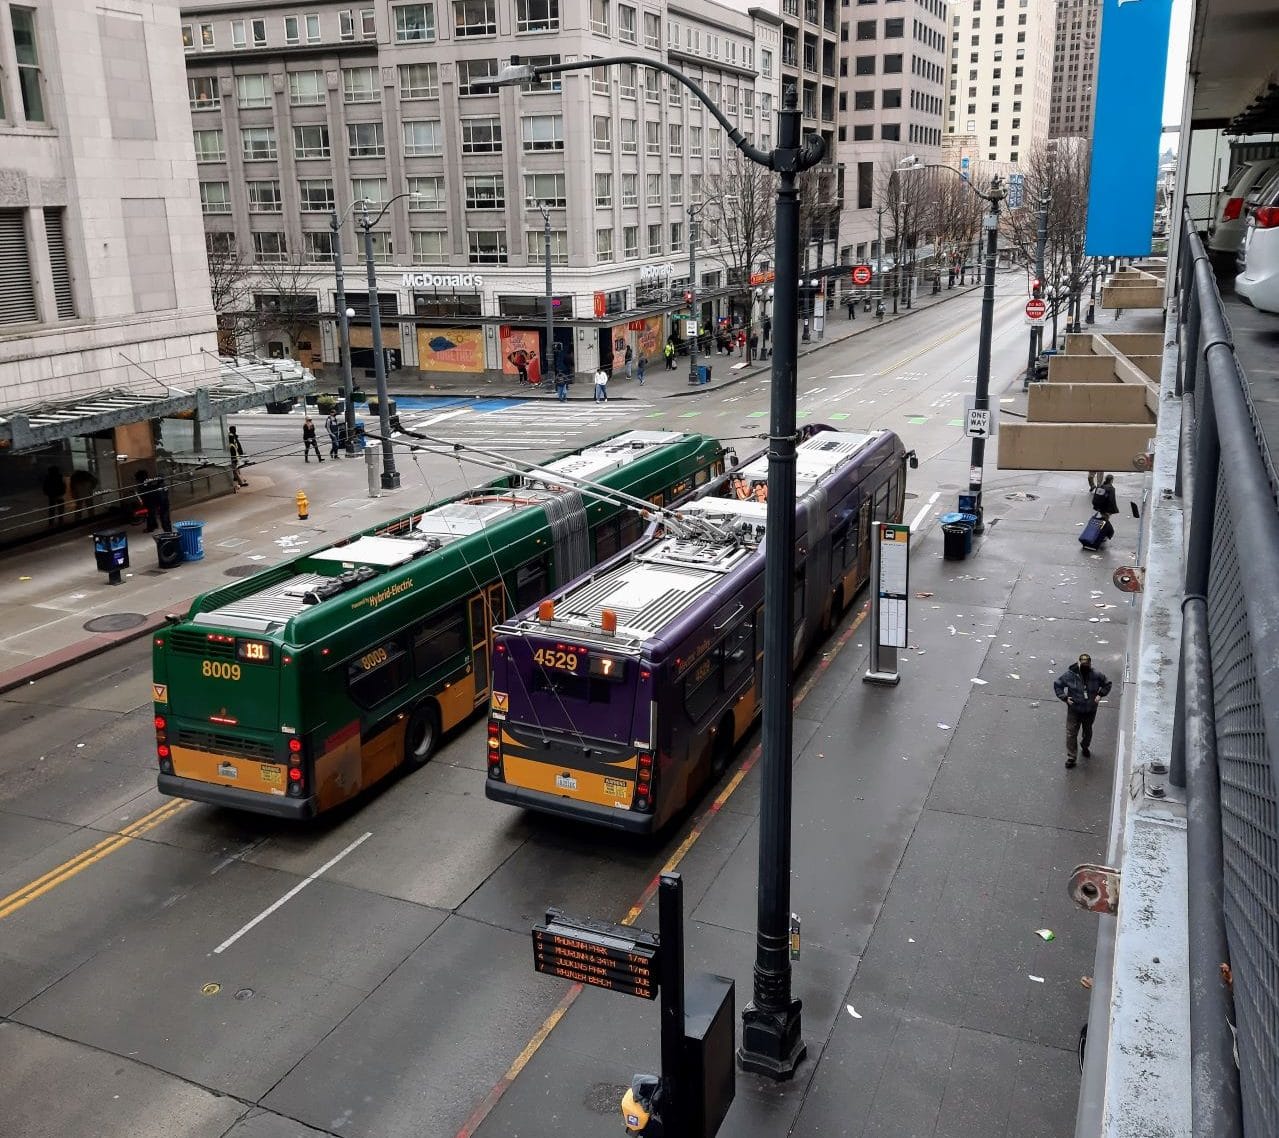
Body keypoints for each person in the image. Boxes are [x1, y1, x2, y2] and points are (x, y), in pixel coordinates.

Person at [1053, 653, 1112, 768]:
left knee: (1087, 732)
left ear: (1090, 664)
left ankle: (1085, 746)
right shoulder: (1070, 675)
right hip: (1074, 709)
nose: (1085, 666)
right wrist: (1065, 698)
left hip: (1090, 710)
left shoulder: (1096, 675)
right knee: (1071, 733)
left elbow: (1107, 684)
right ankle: (1071, 757)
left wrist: (1100, 694)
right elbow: (1058, 685)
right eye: (1083, 664)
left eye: (1087, 664)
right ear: (1079, 663)